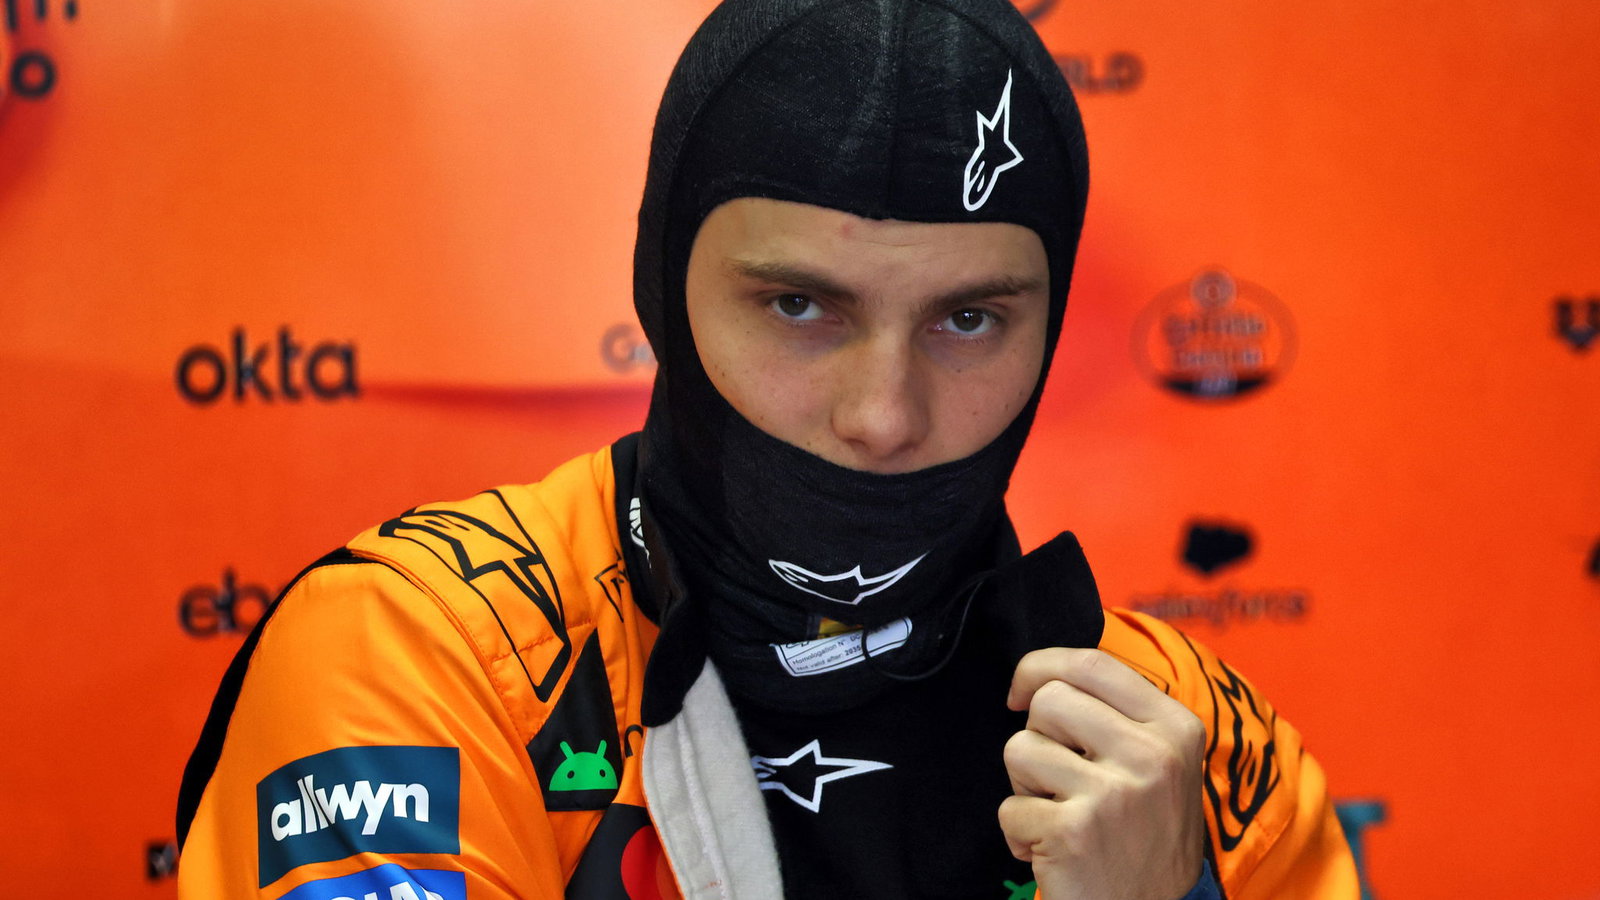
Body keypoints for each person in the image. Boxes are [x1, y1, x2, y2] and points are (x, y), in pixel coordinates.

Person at [176, 1, 1359, 898]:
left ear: (1047, 331)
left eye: (967, 319)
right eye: (800, 306)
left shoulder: (1180, 740)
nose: (882, 415)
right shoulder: (430, 657)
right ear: (662, 286)